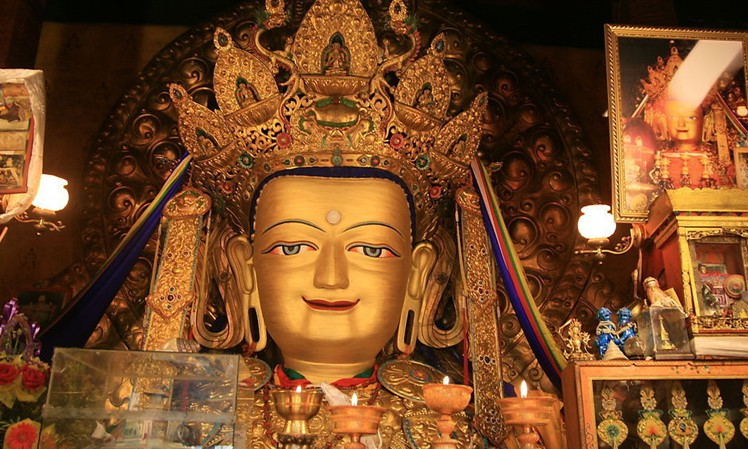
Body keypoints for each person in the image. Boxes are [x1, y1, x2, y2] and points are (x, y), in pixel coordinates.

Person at [161, 0, 513, 447]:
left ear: (417, 275)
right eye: (293, 247)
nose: (331, 278)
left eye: (371, 249)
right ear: (245, 269)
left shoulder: (447, 428)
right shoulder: (204, 424)